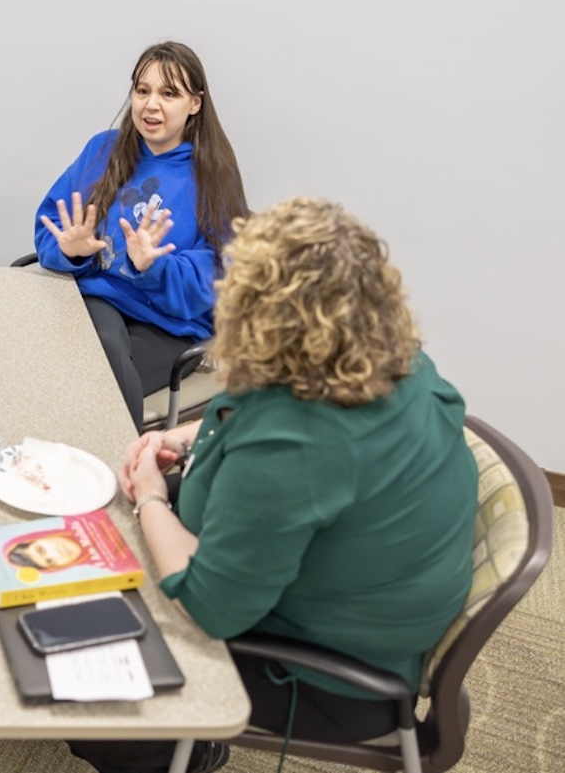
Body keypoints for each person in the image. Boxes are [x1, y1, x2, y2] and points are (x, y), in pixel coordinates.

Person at [68, 198, 478, 773]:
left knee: (84, 676)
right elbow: (262, 404)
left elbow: (211, 606)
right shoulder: (393, 360)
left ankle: (187, 752)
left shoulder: (297, 445)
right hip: (362, 618)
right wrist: (190, 437)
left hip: (324, 681)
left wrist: (152, 499)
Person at [35, 41, 248, 426]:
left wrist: (154, 267)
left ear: (195, 104)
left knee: (94, 373)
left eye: (169, 93)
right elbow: (51, 227)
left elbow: (220, 276)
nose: (151, 105)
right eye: (142, 90)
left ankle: (120, 472)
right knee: (92, 349)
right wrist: (73, 253)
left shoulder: (214, 174)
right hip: (95, 303)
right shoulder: (102, 150)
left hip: (167, 323)